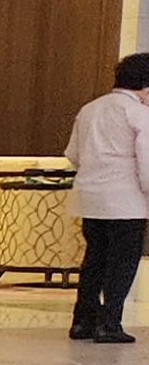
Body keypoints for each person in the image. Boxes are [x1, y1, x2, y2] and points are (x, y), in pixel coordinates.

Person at [63, 50, 149, 344]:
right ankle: (110, 323)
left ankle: (82, 321)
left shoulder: (90, 109)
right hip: (126, 201)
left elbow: (73, 154)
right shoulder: (139, 114)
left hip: (89, 198)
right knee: (122, 263)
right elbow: (146, 163)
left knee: (95, 259)